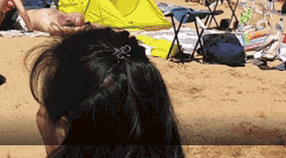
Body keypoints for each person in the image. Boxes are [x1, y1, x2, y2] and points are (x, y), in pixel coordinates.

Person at [28, 27, 184, 154]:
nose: (40, 115)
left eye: (44, 106)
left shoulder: (60, 139)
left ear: (66, 130)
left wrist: (54, 150)